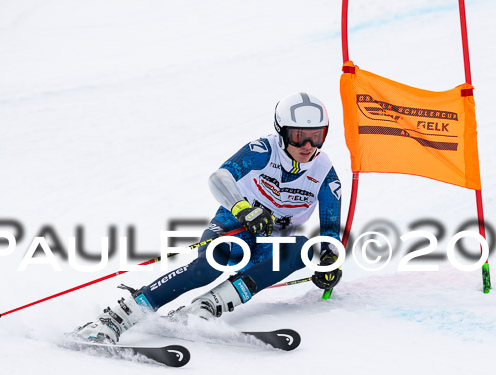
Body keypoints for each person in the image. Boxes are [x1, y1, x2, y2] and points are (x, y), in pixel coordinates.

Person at [75, 92, 343, 343]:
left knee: (298, 250)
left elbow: (330, 228)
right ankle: (114, 320)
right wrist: (243, 209)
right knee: (209, 266)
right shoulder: (262, 151)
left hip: (271, 240)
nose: (307, 145)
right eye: (298, 136)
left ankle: (206, 307)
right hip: (235, 224)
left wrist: (331, 260)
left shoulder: (324, 173)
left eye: (316, 137)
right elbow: (220, 177)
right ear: (281, 131)